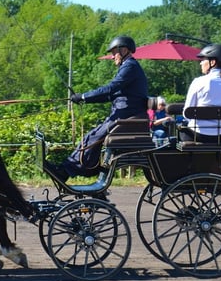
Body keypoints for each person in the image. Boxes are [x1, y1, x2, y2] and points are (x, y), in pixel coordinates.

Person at [45, 35, 148, 183]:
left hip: (127, 117)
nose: (112, 57)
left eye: (114, 53)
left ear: (124, 50)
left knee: (92, 138)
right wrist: (84, 99)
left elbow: (111, 88)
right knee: (91, 136)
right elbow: (110, 96)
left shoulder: (130, 66)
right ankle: (72, 169)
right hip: (123, 115)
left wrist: (84, 96)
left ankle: (68, 170)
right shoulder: (128, 66)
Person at [179, 43, 221, 144]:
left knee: (180, 128)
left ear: (212, 62)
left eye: (203, 60)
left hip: (197, 135)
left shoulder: (198, 82)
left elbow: (187, 113)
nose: (200, 63)